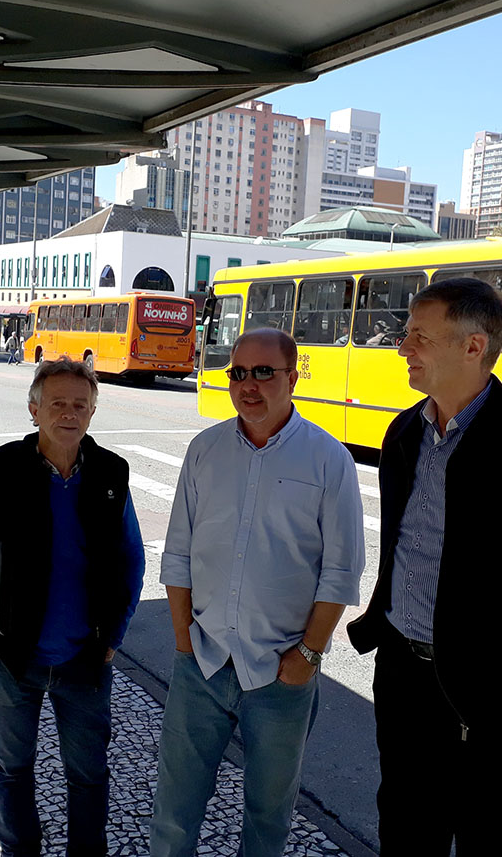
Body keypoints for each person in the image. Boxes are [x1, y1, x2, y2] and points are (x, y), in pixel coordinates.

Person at [346, 278, 502, 856]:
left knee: (492, 841)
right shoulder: (404, 432)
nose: (403, 348)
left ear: (473, 346)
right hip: (403, 679)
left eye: (419, 336)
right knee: (405, 834)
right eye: (406, 333)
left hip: (492, 698)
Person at [150, 328, 366, 857]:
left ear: (293, 378)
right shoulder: (204, 450)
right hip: (202, 664)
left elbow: (341, 571)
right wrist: (183, 641)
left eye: (264, 372)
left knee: (268, 818)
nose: (248, 385)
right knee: (174, 813)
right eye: (238, 373)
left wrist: (307, 656)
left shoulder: (327, 459)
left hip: (280, 672)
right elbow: (178, 554)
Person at [0, 357, 145, 857]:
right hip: (12, 661)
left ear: (93, 412)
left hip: (85, 661)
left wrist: (114, 638)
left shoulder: (111, 474)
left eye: (80, 404)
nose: (69, 413)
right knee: (13, 770)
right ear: (34, 410)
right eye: (57, 403)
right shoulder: (5, 472)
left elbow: (132, 562)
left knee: (89, 775)